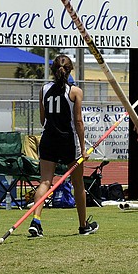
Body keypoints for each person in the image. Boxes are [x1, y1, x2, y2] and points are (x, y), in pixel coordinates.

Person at [27, 54, 98, 238]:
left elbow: (42, 119)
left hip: (49, 139)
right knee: (78, 184)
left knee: (45, 182)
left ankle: (36, 220)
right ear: (70, 71)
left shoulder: (44, 89)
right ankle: (83, 226)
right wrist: (83, 148)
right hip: (68, 141)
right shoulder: (75, 91)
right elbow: (79, 122)